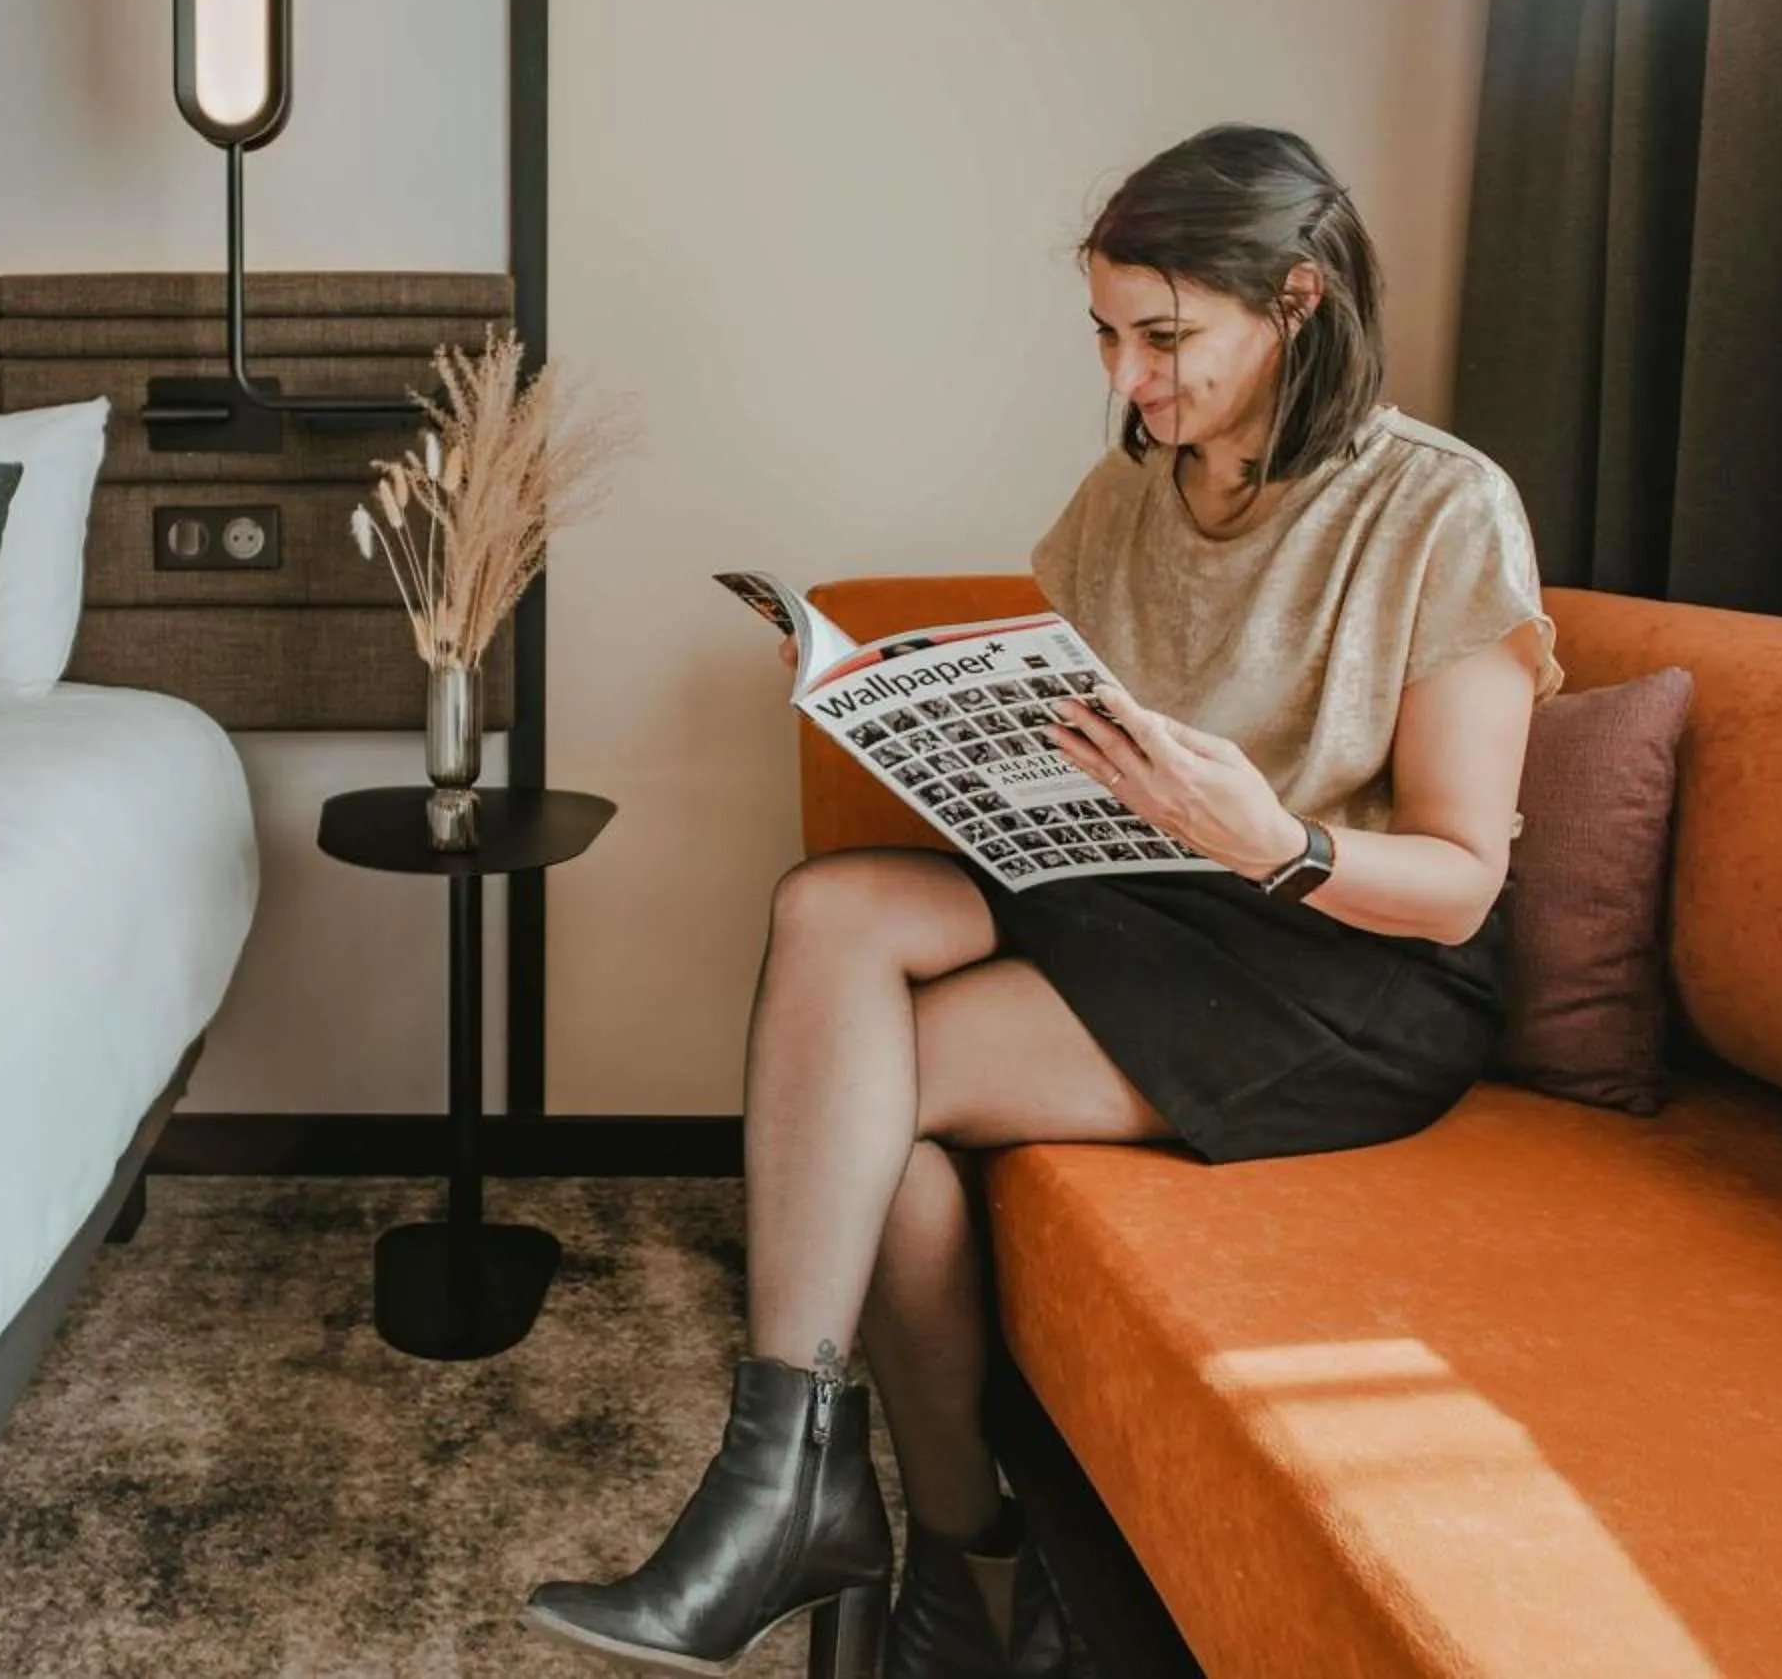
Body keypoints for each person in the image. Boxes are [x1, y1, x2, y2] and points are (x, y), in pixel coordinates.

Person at [522, 125, 1563, 1679]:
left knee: (876, 1114)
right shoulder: (1125, 495)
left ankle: (932, 1544)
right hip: (1143, 897)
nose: (1129, 377)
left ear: (1301, 305)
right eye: (1106, 334)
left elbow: (1463, 883)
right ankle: (846, 1512)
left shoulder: (1441, 509)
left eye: (1167, 337)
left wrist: (1276, 834)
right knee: (832, 913)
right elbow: (1069, 732)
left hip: (1343, 958)